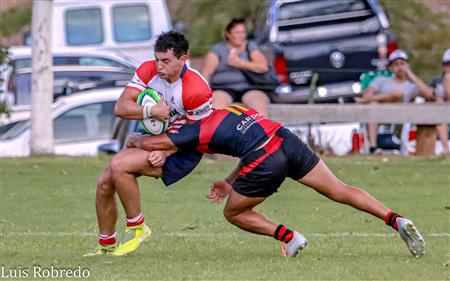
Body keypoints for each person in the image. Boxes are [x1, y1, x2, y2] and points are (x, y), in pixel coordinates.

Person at [126, 104, 426, 258]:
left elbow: (155, 143)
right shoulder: (233, 109)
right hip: (284, 139)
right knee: (339, 189)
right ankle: (395, 219)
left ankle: (289, 237)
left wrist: (135, 139)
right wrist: (230, 181)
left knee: (234, 213)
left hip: (266, 158)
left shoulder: (191, 130)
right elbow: (247, 141)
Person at [84, 31, 213, 256]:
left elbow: (199, 134)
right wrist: (150, 111)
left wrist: (166, 150)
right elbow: (121, 108)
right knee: (104, 183)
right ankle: (106, 246)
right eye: (157, 59)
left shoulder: (196, 89)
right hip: (153, 141)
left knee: (118, 166)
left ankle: (138, 228)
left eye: (166, 61)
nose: (159, 66)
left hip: (183, 149)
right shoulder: (148, 70)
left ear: (183, 59)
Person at [356, 49, 433, 153]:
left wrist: (411, 75)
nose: (400, 67)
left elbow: (430, 95)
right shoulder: (381, 80)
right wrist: (389, 96)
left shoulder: (411, 86)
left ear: (407, 65)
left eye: (402, 64)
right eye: (396, 64)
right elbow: (367, 97)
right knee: (374, 104)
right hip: (378, 114)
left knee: (398, 95)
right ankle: (373, 147)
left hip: (401, 117)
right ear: (391, 67)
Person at [201, 18, 270, 116]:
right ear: (228, 34)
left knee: (259, 102)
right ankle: (216, 130)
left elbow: (263, 67)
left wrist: (239, 63)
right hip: (223, 88)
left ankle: (262, 130)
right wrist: (201, 94)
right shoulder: (218, 49)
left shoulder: (250, 47)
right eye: (237, 32)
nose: (241, 36)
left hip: (248, 87)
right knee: (217, 108)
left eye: (243, 32)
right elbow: (206, 74)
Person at [428, 48, 450, 155]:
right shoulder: (436, 81)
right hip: (441, 113)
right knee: (439, 117)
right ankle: (446, 150)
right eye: (448, 64)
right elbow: (429, 95)